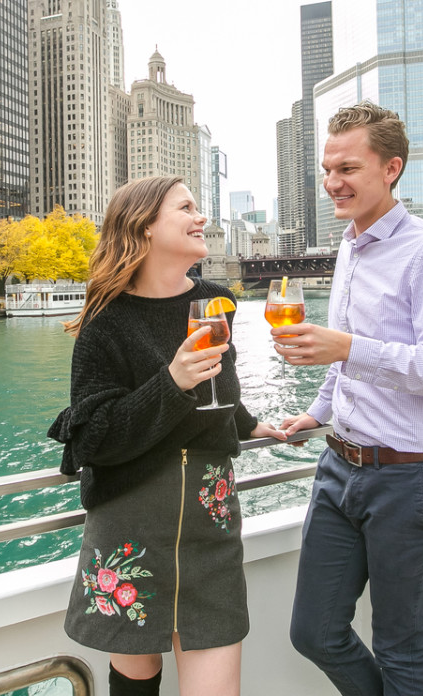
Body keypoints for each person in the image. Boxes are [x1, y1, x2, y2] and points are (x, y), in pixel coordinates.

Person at [47, 175, 288, 696]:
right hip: (129, 526)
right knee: (135, 685)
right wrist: (172, 381)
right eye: (186, 208)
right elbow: (95, 437)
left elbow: (222, 384)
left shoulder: (217, 300)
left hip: (210, 524)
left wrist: (248, 424)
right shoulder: (106, 320)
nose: (201, 217)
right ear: (145, 227)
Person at [273, 102, 423, 695]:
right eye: (327, 169)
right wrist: (316, 412)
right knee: (313, 632)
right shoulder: (349, 246)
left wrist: (347, 348)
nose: (332, 182)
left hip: (410, 480)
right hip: (338, 467)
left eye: (348, 169)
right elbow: (345, 366)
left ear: (391, 169)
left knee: (401, 652)